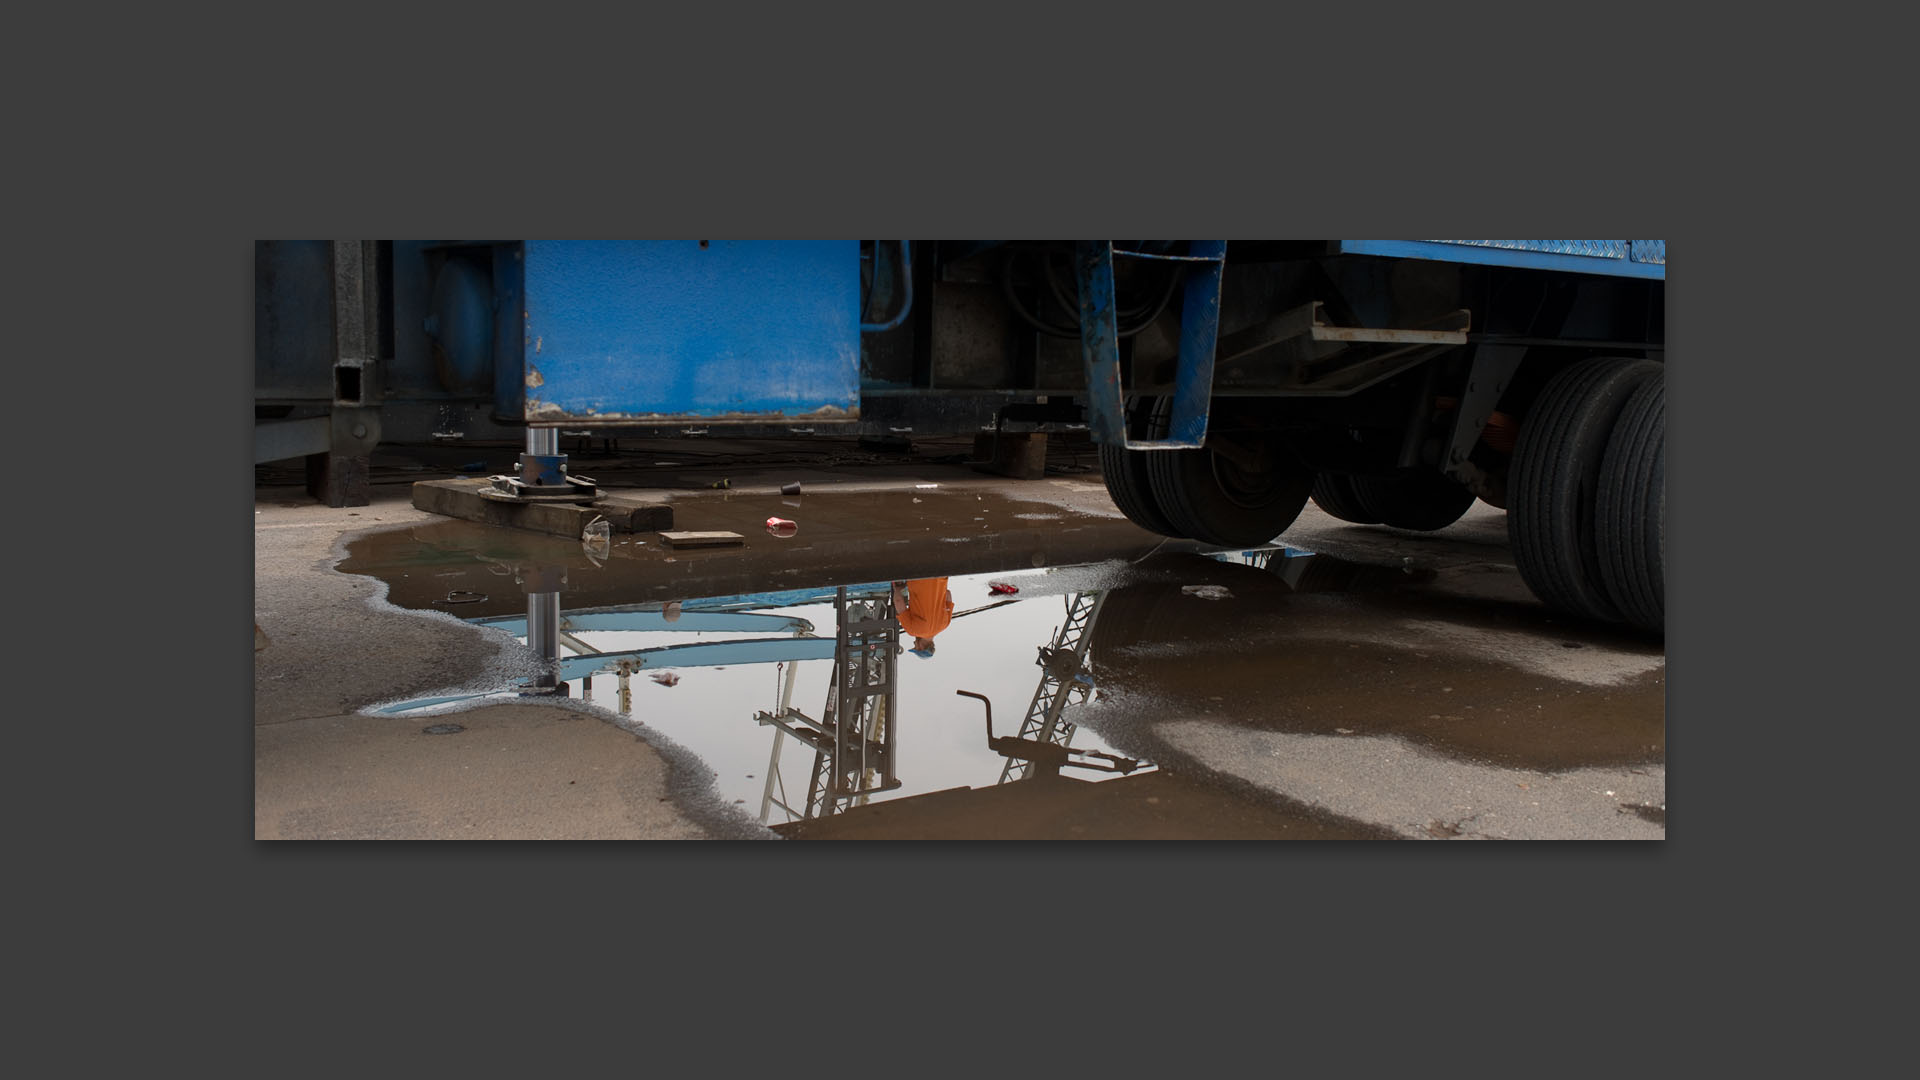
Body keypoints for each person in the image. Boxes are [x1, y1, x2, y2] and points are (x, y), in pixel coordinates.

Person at [891, 578, 953, 658]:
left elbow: (948, 593)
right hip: (918, 577)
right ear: (921, 647)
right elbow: (898, 601)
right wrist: (898, 589)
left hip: (941, 575)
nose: (914, 643)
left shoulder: (945, 624)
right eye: (915, 646)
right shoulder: (913, 630)